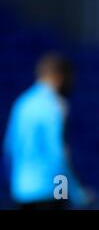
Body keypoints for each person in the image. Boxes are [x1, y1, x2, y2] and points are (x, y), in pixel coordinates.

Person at [3, 53, 89, 210]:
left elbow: (9, 148)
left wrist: (15, 183)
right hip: (51, 190)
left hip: (22, 190)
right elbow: (59, 153)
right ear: (59, 76)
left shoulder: (22, 103)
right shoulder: (56, 105)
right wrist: (74, 194)